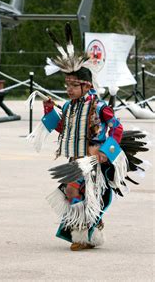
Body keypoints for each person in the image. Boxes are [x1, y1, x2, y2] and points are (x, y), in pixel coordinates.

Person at [29, 23, 149, 251]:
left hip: (94, 159)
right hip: (76, 159)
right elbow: (65, 129)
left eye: (73, 85)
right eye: (67, 85)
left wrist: (106, 152)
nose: (69, 89)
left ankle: (82, 236)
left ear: (86, 85)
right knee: (74, 193)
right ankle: (90, 228)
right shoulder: (69, 106)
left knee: (77, 192)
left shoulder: (99, 106)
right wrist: (48, 111)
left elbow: (116, 127)